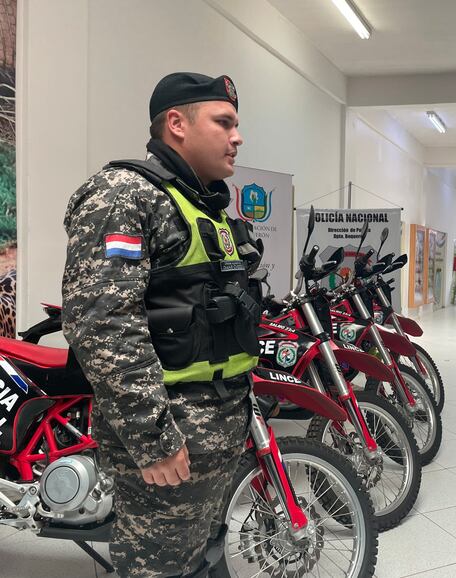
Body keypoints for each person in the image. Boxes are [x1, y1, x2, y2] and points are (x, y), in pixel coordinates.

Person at [62, 72, 263, 577]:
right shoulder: (123, 194)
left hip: (216, 431)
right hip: (169, 442)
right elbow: (103, 323)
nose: (237, 137)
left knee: (197, 559)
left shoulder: (204, 202)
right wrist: (153, 439)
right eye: (224, 123)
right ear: (176, 123)